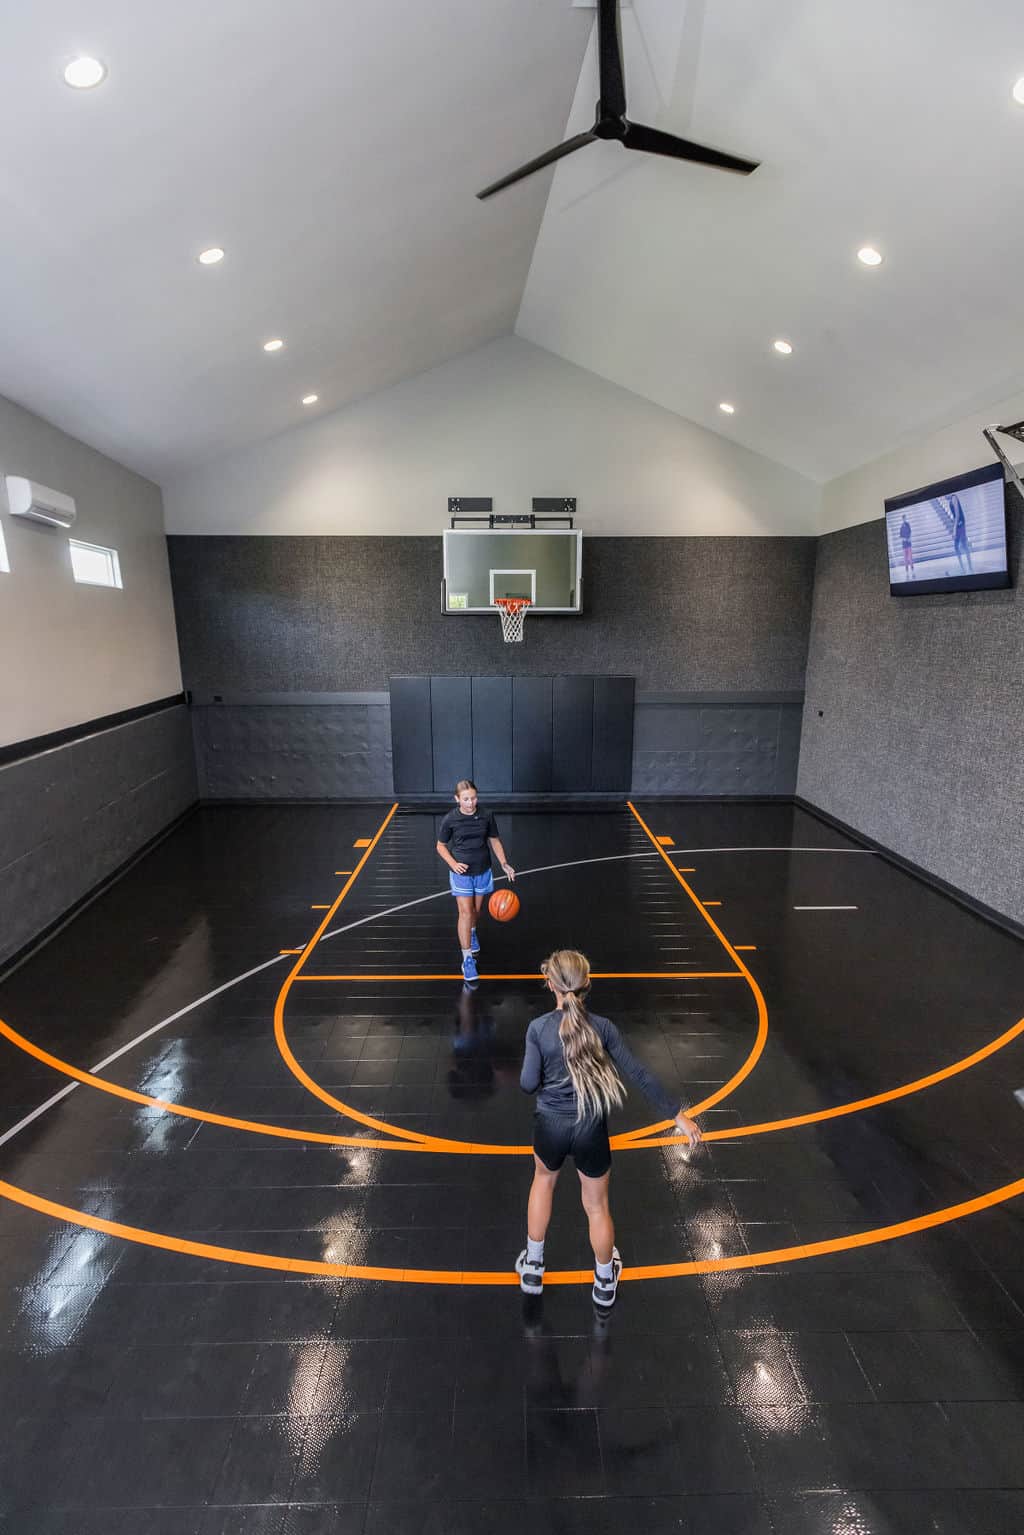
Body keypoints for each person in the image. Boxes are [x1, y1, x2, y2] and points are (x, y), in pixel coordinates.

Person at [516, 948, 703, 1308]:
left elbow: (526, 1084)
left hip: (551, 1127)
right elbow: (638, 1074)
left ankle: (533, 1266)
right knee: (597, 1207)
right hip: (590, 1130)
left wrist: (544, 1079)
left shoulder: (537, 1029)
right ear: (588, 984)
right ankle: (604, 1282)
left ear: (550, 985)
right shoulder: (603, 1028)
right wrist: (676, 1115)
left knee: (542, 1182)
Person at [435, 779, 515, 983]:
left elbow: (494, 840)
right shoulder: (450, 819)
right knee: (465, 912)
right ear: (457, 799)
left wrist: (504, 863)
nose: (471, 803)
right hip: (461, 873)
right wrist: (453, 864)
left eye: (473, 798)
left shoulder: (486, 815)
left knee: (476, 912)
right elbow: (441, 846)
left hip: (483, 869)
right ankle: (467, 959)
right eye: (466, 799)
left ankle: (472, 932)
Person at [950, 494, 973, 574]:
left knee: (964, 545)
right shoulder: (950, 499)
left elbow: (957, 514)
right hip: (958, 525)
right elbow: (954, 516)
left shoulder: (954, 498)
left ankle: (969, 567)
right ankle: (963, 569)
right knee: (956, 547)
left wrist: (954, 529)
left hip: (961, 524)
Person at [899, 514, 914, 579]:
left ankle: (912, 568)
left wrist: (909, 538)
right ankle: (907, 570)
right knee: (905, 558)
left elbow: (910, 532)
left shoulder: (908, 524)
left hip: (908, 543)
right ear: (902, 519)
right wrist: (903, 539)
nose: (904, 519)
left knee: (910, 557)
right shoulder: (901, 527)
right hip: (904, 544)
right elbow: (900, 536)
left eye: (905, 518)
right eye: (903, 518)